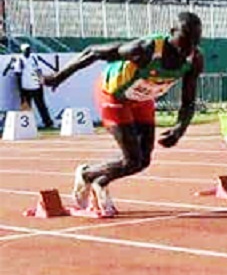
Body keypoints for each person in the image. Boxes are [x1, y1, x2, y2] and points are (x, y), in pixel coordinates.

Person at [42, 12, 204, 218]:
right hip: (114, 94)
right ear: (171, 33)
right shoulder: (145, 49)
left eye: (193, 43)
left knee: (142, 161)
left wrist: (180, 129)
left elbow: (188, 100)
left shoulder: (194, 59)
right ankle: (86, 174)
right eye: (184, 41)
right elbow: (93, 52)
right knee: (131, 160)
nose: (186, 49)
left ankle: (100, 180)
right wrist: (59, 76)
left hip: (142, 100)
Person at [3, 43, 55, 129]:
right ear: (22, 51)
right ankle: (27, 125)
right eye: (26, 50)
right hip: (26, 87)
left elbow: (38, 70)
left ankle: (48, 123)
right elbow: (18, 74)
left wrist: (41, 81)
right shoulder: (20, 60)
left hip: (36, 86)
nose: (28, 51)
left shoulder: (34, 58)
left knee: (41, 105)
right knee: (26, 106)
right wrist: (20, 89)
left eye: (29, 49)